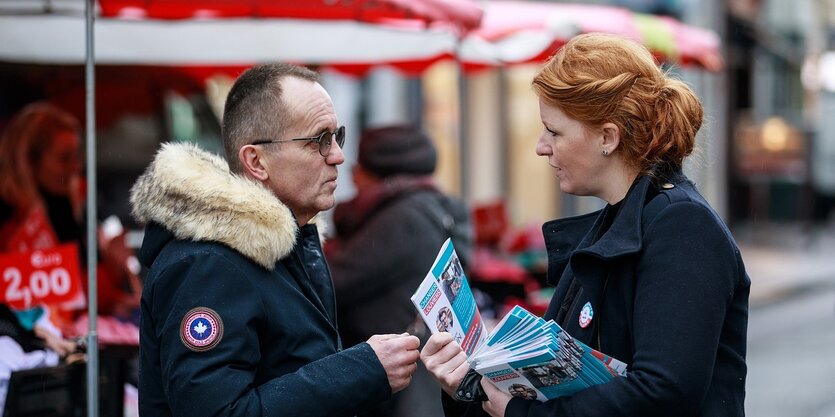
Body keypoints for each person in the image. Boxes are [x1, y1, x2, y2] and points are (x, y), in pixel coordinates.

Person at [420, 33, 749, 417]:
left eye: (554, 131)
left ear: (608, 137)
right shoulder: (618, 223)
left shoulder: (682, 225)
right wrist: (466, 387)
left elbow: (664, 391)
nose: (542, 146)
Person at [129, 63, 421, 417]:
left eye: (337, 136)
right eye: (319, 141)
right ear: (256, 160)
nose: (338, 156)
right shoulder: (207, 264)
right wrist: (362, 370)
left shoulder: (285, 243)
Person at [324, 124, 473, 417]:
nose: (349, 172)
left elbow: (332, 279)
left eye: (358, 165)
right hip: (415, 377)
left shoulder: (405, 217)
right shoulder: (435, 207)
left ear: (371, 172)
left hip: (401, 386)